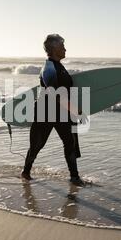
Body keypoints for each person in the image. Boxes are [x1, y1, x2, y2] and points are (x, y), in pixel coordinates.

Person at [21, 34, 86, 187]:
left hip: (62, 111)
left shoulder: (60, 67)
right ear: (54, 48)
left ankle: (74, 177)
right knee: (37, 144)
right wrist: (75, 109)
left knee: (70, 142)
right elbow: (54, 93)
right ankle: (26, 171)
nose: (65, 49)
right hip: (46, 111)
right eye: (62, 46)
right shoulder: (48, 68)